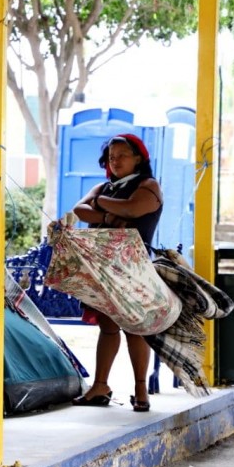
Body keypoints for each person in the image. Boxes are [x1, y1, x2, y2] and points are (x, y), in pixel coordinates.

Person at [70, 134, 163, 412]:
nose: (115, 160)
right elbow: (79, 210)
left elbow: (134, 208)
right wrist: (111, 216)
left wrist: (100, 205)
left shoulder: (149, 186)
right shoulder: (104, 186)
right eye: (111, 155)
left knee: (135, 328)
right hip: (102, 269)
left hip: (132, 269)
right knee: (108, 327)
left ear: (138, 158)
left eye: (122, 154)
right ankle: (100, 386)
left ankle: (141, 390)